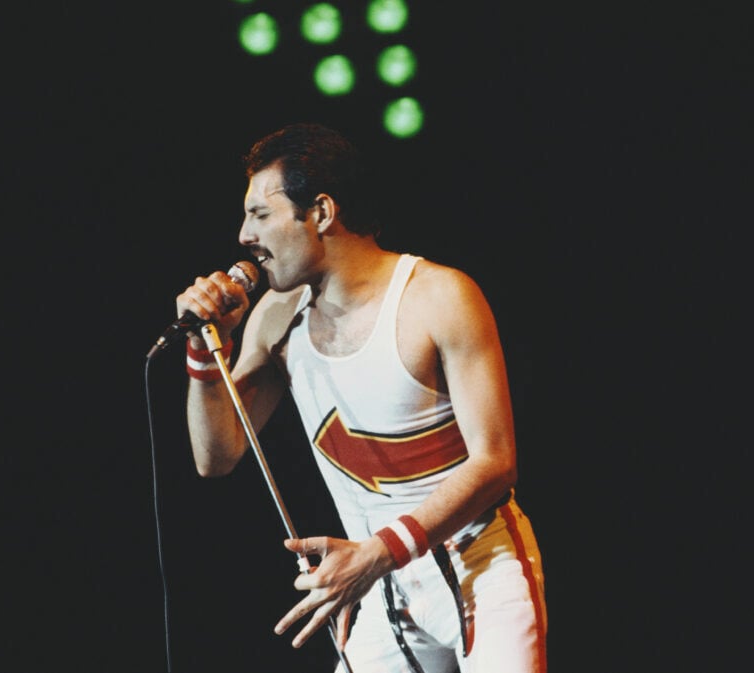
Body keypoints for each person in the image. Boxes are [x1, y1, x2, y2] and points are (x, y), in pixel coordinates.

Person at [174, 122, 547, 672]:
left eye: (260, 215)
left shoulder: (440, 297)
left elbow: (496, 462)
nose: (243, 236)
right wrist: (207, 352)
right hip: (378, 584)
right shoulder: (274, 319)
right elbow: (216, 456)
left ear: (321, 212)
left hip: (481, 569)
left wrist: (377, 554)